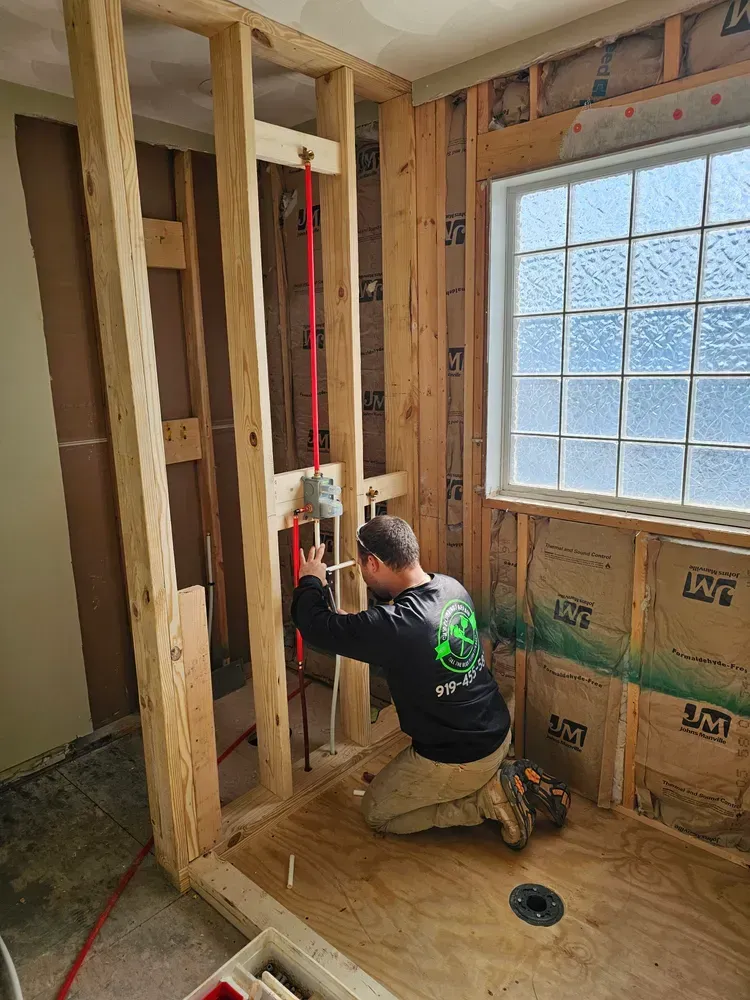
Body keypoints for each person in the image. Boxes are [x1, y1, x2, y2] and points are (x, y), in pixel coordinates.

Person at [291, 514, 570, 848]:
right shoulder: (450, 587)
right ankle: (507, 777)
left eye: (363, 567)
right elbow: (408, 639)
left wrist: (311, 580)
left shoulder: (394, 626)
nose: (363, 576)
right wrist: (365, 629)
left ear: (373, 562)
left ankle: (489, 800)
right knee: (401, 786)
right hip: (494, 730)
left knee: (377, 813)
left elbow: (313, 625)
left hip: (463, 756)